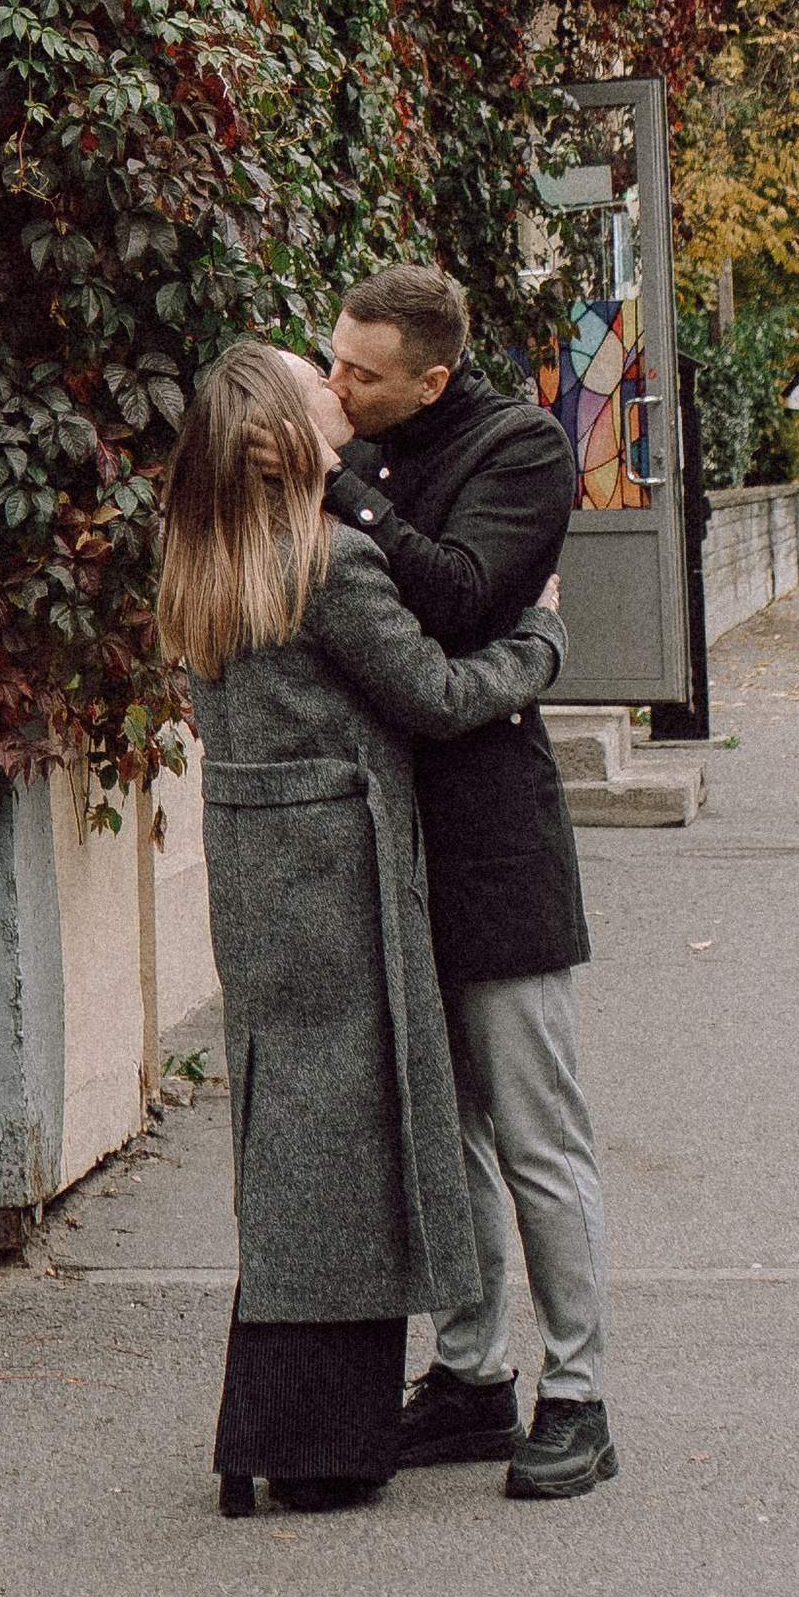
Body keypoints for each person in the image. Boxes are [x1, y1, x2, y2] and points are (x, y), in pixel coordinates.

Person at [160, 338, 568, 1519]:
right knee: (354, 1130)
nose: (336, 392)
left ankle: (284, 1421)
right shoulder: (330, 562)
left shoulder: (204, 557)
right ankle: (319, 1434)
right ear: (288, 438)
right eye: (315, 384)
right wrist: (537, 643)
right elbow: (436, 699)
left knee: (288, 1128)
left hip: (259, 874)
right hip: (343, 876)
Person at [323, 263, 618, 1501]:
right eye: (332, 359)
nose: (335, 385)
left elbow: (458, 599)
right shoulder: (375, 443)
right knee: (444, 1138)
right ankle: (468, 1379)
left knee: (537, 1138)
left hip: (495, 842)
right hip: (388, 843)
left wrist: (339, 495)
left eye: (362, 374)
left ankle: (579, 1398)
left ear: (430, 379)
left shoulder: (521, 452)